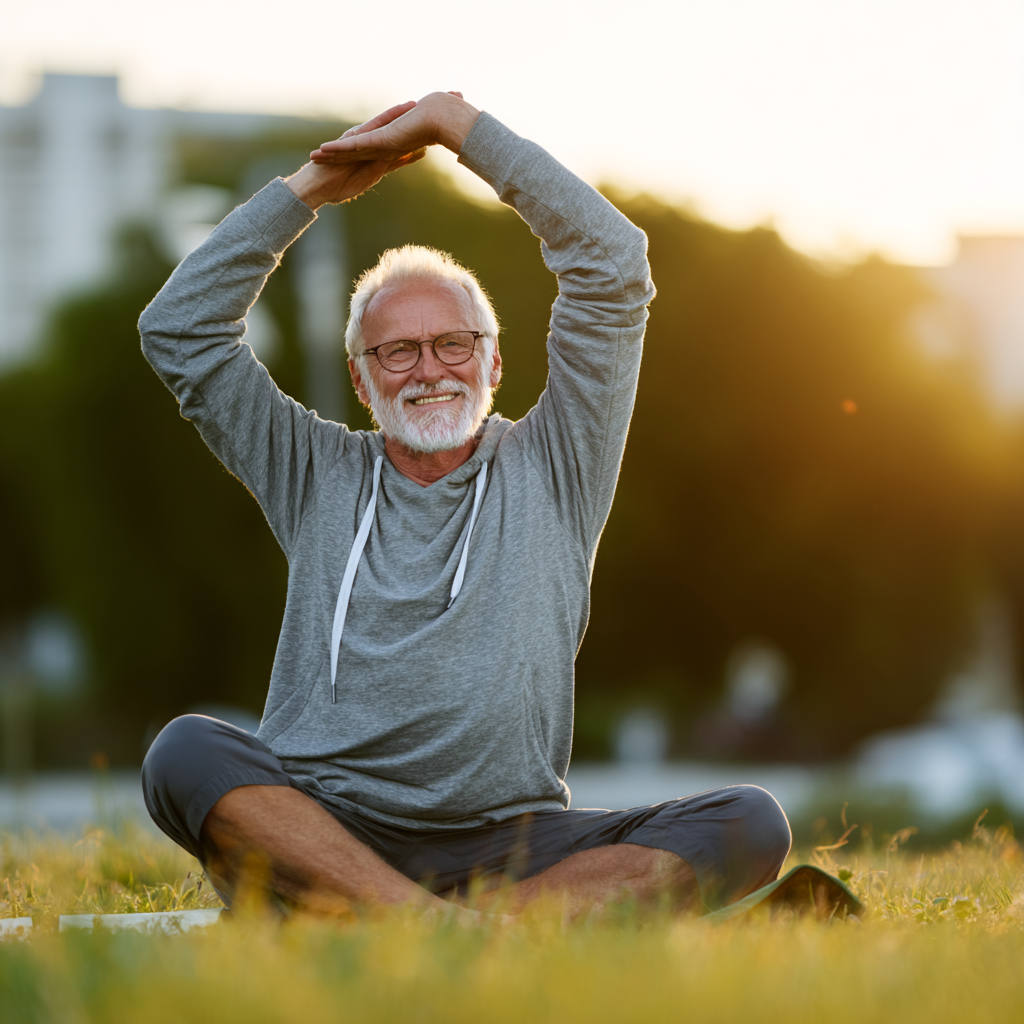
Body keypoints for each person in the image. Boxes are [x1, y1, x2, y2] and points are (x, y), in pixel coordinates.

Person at [139, 91, 791, 920]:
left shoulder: (557, 462)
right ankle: (456, 928)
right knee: (185, 751)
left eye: (453, 344)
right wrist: (311, 187)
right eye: (398, 351)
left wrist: (456, 127)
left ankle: (391, 923)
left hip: (509, 846)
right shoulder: (313, 468)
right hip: (327, 826)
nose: (429, 369)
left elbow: (613, 263)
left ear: (492, 365)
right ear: (361, 378)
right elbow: (179, 329)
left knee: (748, 821)